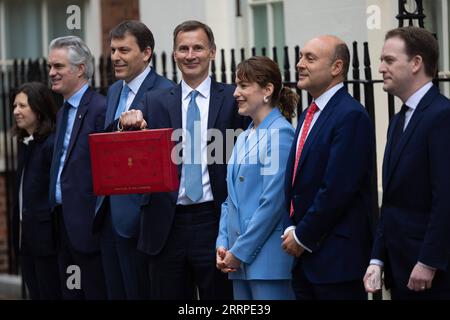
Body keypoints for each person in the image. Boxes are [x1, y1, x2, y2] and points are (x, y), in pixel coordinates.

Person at [120, 20, 247, 299]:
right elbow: (126, 150)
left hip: (215, 223)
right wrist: (127, 122)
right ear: (174, 54)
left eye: (198, 48)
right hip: (166, 225)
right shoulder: (154, 101)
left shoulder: (233, 99)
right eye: (183, 49)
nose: (191, 55)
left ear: (212, 52)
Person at [281, 35, 374, 300]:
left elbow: (337, 188)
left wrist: (302, 236)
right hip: (304, 262)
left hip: (336, 262)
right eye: (300, 56)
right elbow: (295, 178)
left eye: (310, 58)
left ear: (336, 67)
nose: (300, 64)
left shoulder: (350, 115)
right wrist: (290, 227)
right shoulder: (309, 113)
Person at [363, 27, 450, 300]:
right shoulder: (397, 120)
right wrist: (377, 259)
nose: (380, 68)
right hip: (399, 269)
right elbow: (390, 200)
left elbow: (445, 197)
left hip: (431, 275)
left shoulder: (442, 115)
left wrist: (428, 261)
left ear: (416, 63)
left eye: (389, 60)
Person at [94, 20, 174, 300]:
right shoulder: (115, 90)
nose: (115, 57)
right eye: (113, 50)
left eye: (124, 50)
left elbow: (168, 157)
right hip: (108, 215)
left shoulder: (166, 92)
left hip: (141, 219)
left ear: (146, 53)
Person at [215, 56, 296, 300]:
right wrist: (222, 244)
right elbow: (230, 200)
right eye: (236, 85)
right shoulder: (244, 136)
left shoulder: (281, 133)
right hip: (239, 264)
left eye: (243, 85)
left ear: (267, 90)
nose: (235, 93)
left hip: (268, 264)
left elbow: (272, 203)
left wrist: (239, 252)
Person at [47, 36, 107, 299]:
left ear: (80, 69)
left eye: (58, 67)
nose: (52, 73)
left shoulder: (100, 109)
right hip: (62, 225)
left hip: (88, 230)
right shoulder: (62, 112)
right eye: (50, 67)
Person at [11, 82, 61, 299]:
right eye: (14, 106)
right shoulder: (25, 143)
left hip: (47, 241)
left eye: (22, 106)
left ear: (38, 110)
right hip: (27, 239)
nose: (15, 111)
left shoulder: (50, 145)